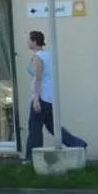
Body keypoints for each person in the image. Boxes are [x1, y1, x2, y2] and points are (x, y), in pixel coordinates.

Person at [24, 30, 55, 158]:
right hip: (48, 97)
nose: (27, 42)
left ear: (35, 41)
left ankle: (31, 158)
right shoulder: (48, 55)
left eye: (29, 40)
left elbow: (38, 78)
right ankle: (78, 143)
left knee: (34, 129)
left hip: (41, 97)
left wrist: (36, 99)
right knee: (53, 127)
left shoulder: (38, 57)